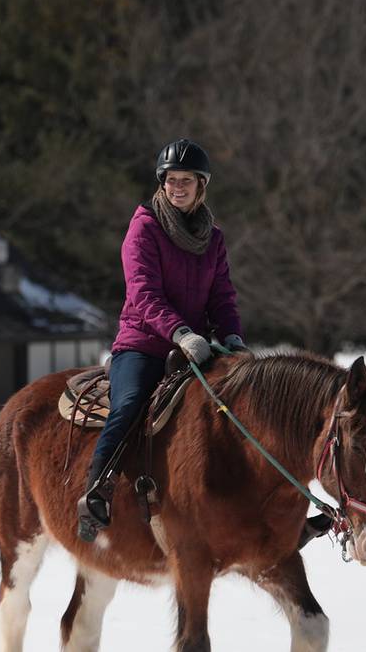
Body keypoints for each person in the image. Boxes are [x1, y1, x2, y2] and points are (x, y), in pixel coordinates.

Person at [75, 138, 248, 542]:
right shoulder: (144, 228)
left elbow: (222, 296)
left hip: (197, 348)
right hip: (143, 344)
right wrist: (180, 332)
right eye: (172, 180)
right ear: (162, 183)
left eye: (187, 180)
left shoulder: (213, 238)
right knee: (130, 403)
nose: (178, 187)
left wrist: (234, 338)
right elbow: (143, 293)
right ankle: (95, 492)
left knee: (243, 403)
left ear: (201, 185)